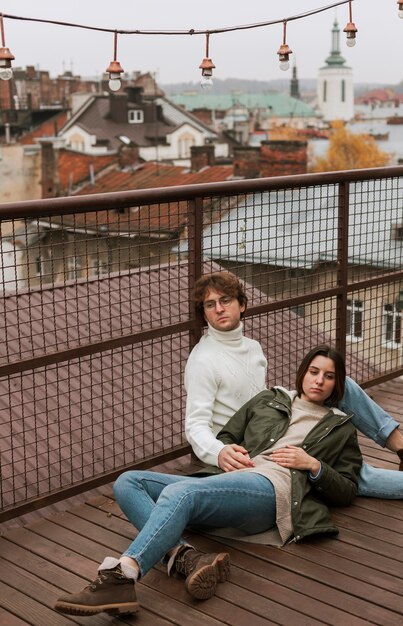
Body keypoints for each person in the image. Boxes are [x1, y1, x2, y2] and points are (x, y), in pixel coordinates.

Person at [55, 345, 361, 617]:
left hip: (273, 491)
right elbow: (227, 436)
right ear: (303, 373)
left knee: (180, 494)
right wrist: (225, 452)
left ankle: (124, 574)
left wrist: (313, 465)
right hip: (234, 480)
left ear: (337, 384)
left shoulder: (341, 428)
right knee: (128, 482)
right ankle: (189, 558)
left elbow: (347, 489)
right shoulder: (270, 398)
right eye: (314, 371)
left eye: (329, 376)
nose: (319, 380)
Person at [185, 272, 403, 494]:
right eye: (210, 305)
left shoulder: (252, 348)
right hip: (249, 447)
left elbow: (260, 402)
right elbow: (195, 425)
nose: (219, 309)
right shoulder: (203, 359)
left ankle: (399, 444)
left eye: (225, 300)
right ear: (204, 315)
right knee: (352, 472)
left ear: (242, 305)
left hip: (271, 427)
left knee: (340, 384)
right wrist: (219, 452)